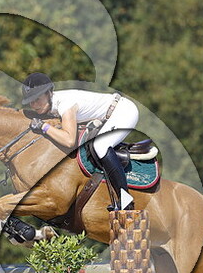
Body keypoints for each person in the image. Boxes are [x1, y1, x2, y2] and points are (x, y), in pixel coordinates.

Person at [21, 72, 136, 210]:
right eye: (31, 102)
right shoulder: (52, 104)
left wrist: (43, 126)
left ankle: (126, 200)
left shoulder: (65, 104)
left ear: (49, 93)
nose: (34, 105)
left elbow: (69, 140)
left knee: (100, 145)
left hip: (124, 111)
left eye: (37, 99)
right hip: (109, 116)